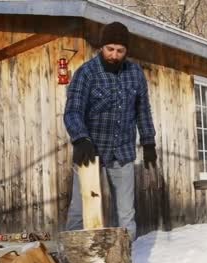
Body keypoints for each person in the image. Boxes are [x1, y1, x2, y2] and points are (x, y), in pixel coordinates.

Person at [63, 21, 157, 241]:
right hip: (90, 152)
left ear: (126, 51)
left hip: (122, 152)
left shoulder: (135, 73)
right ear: (101, 47)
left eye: (120, 50)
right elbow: (73, 111)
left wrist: (148, 142)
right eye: (110, 49)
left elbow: (143, 110)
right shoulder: (86, 73)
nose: (114, 55)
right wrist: (80, 138)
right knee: (79, 210)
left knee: (126, 215)